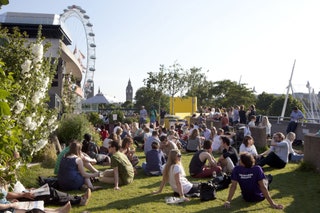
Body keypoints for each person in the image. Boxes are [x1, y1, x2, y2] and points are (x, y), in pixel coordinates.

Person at [0, 181, 72, 213]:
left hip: (8, 205)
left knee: (33, 205)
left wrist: (23, 194)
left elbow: (6, 194)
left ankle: (57, 210)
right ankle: (58, 212)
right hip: (5, 209)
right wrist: (10, 205)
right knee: (32, 211)